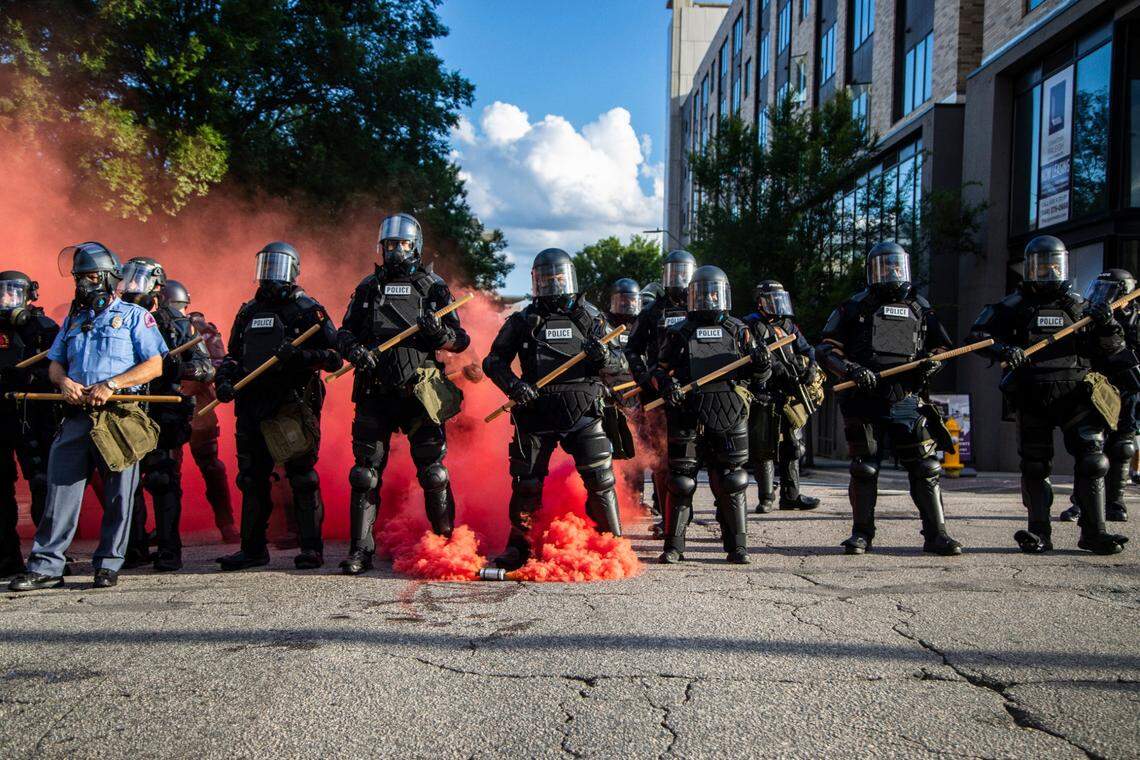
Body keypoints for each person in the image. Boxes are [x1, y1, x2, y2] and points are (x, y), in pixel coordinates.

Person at [9, 242, 167, 592]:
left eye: (91, 276)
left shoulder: (134, 317)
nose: (84, 284)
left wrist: (113, 383)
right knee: (59, 489)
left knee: (119, 495)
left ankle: (108, 564)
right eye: (80, 277)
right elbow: (55, 363)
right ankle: (47, 566)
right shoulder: (73, 321)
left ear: (110, 278)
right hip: (77, 415)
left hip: (119, 416)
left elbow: (154, 365)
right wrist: (63, 381)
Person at [968, 236, 1130, 555]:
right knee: (1034, 465)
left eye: (1054, 263)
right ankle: (1039, 532)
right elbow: (978, 335)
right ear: (1030, 268)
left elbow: (1112, 349)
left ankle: (1094, 532)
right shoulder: (1014, 305)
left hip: (1076, 393)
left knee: (1094, 460)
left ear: (1064, 265)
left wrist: (1108, 324)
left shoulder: (1082, 307)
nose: (1049, 270)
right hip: (1032, 394)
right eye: (1042, 264)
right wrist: (1004, 348)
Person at [336, 214, 470, 575]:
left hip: (418, 394)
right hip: (374, 392)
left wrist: (437, 332)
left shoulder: (433, 286)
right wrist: (355, 351)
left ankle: (445, 545)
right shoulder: (368, 288)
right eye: (389, 244)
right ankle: (360, 551)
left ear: (416, 246)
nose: (395, 250)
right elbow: (343, 333)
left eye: (403, 244)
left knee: (433, 473)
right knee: (364, 474)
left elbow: (461, 340)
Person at [483, 248, 628, 570]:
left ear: (569, 278)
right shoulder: (523, 320)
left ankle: (611, 544)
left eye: (557, 278)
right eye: (545, 280)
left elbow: (621, 364)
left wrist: (603, 357)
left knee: (600, 478)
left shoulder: (592, 318)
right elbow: (493, 362)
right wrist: (514, 386)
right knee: (526, 483)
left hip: (584, 407)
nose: (552, 285)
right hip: (535, 407)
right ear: (536, 282)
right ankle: (519, 548)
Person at [816, 242, 963, 556]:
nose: (892, 272)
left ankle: (936, 534)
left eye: (897, 266)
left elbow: (943, 349)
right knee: (865, 468)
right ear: (872, 271)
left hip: (907, 400)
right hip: (863, 400)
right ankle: (861, 534)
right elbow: (825, 349)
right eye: (885, 267)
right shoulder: (852, 308)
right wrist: (851, 369)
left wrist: (934, 362)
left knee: (926, 466)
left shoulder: (921, 307)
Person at [213, 242, 342, 571]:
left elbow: (335, 357)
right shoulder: (248, 312)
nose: (270, 276)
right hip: (252, 403)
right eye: (266, 268)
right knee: (252, 478)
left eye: (278, 268)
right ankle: (253, 549)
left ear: (293, 272)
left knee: (301, 477)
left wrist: (301, 357)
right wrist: (224, 381)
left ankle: (311, 548)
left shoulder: (308, 310)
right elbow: (232, 356)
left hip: (292, 405)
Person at [654, 265, 772, 565]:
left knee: (732, 479)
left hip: (729, 410)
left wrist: (760, 363)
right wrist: (668, 386)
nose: (707, 299)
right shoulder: (679, 332)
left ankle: (737, 547)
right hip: (687, 412)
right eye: (702, 294)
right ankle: (674, 546)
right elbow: (659, 370)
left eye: (712, 293)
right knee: (681, 480)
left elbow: (760, 379)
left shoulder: (741, 330)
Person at [120, 260, 214, 571]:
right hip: (125, 406)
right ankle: (132, 548)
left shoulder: (176, 322)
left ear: (157, 287)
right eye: (128, 281)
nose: (133, 288)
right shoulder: (115, 316)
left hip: (164, 408)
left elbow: (205, 366)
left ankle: (168, 549)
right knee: (126, 479)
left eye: (140, 282)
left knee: (161, 477)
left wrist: (179, 367)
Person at [1059, 269, 1139, 524]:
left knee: (1122, 446)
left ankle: (1115, 502)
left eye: (1110, 291)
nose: (1101, 297)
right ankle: (1081, 504)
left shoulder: (1137, 320)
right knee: (1089, 446)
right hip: (1096, 388)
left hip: (1127, 390)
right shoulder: (1087, 317)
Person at [625, 251, 697, 526]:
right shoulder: (652, 312)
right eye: (674, 272)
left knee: (695, 460)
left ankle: (687, 516)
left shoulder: (702, 308)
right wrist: (645, 378)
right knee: (663, 460)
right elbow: (632, 350)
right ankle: (670, 522)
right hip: (659, 394)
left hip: (696, 393)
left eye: (684, 272)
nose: (679, 279)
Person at [163, 281, 238, 541]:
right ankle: (167, 532)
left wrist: (189, 374)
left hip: (198, 409)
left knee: (211, 467)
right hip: (167, 407)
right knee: (166, 471)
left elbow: (217, 364)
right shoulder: (153, 326)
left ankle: (226, 524)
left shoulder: (202, 330)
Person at [0, 271, 60, 577]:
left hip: (34, 416)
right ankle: (7, 557)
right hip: (2, 416)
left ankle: (45, 557)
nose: (7, 300)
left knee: (41, 483)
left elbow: (61, 368)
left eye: (13, 293)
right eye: (2, 293)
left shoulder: (45, 328)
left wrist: (29, 378)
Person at [743, 280, 821, 512]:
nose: (777, 305)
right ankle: (766, 498)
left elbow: (807, 349)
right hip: (765, 393)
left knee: (793, 444)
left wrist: (811, 368)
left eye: (780, 299)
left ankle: (791, 495)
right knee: (764, 445)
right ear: (760, 302)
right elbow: (754, 355)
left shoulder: (788, 324)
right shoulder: (750, 325)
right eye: (771, 300)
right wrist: (780, 370)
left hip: (790, 394)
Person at [603, 278, 648, 507]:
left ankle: (635, 498)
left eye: (631, 301)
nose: (627, 305)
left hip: (634, 396)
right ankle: (611, 497)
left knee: (636, 451)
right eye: (622, 301)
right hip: (608, 397)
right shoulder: (602, 325)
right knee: (606, 451)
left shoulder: (642, 326)